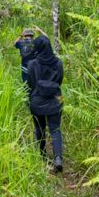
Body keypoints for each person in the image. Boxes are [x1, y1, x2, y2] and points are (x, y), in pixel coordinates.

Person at [25, 35, 65, 173]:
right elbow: (59, 81)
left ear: (37, 47)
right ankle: (58, 158)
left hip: (37, 100)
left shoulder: (32, 64)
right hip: (56, 99)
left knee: (39, 129)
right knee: (55, 129)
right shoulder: (58, 63)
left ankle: (42, 156)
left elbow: (30, 83)